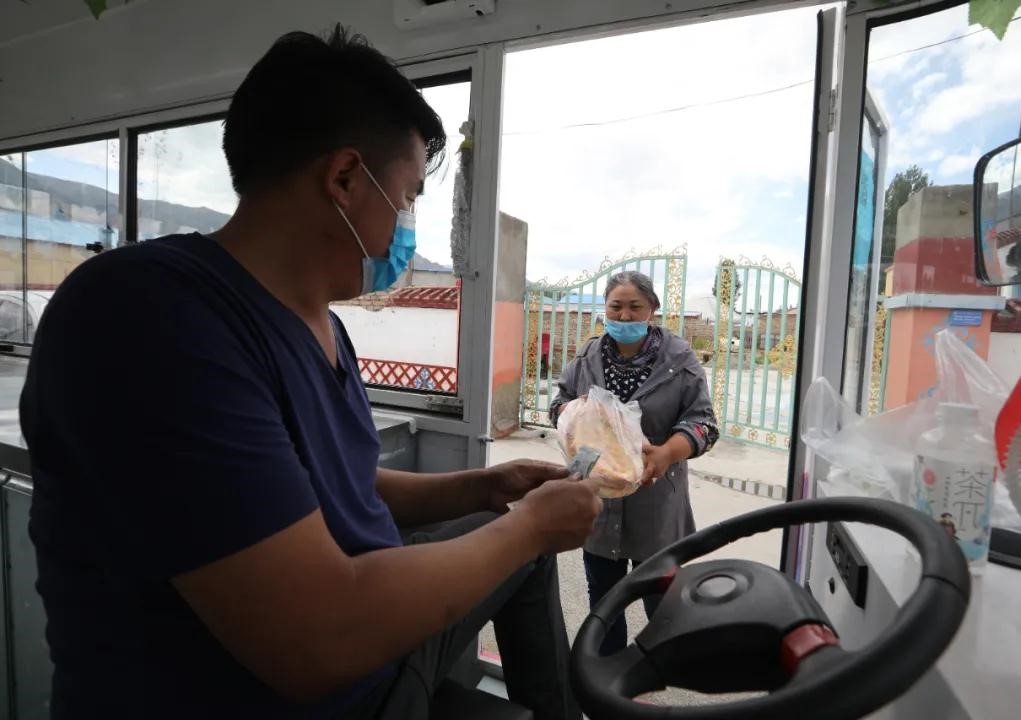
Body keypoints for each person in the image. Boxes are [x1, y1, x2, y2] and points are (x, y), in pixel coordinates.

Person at [20, 26, 601, 720]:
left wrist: (483, 486)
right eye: (409, 196)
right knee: (523, 538)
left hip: (378, 645)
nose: (407, 224)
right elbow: (318, 641)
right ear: (346, 179)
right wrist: (530, 527)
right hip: (324, 674)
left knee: (516, 536)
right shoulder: (152, 316)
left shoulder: (323, 324)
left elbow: (336, 483)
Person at [549, 271, 718, 656]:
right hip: (598, 500)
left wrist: (667, 453)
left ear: (652, 309)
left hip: (655, 502)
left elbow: (704, 423)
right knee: (604, 601)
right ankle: (606, 670)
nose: (624, 316)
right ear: (605, 309)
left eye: (634, 307)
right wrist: (576, 413)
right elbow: (559, 404)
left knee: (661, 600)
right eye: (616, 307)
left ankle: (658, 666)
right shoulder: (588, 356)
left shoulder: (679, 359)